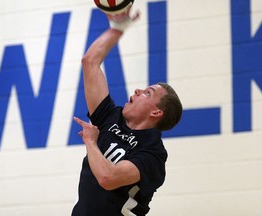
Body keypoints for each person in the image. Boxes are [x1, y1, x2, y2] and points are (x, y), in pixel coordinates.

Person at [71, 9, 182, 216]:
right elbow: (90, 63)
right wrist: (118, 28)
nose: (138, 91)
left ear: (156, 113)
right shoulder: (110, 117)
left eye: (147, 93)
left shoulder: (153, 155)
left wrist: (91, 142)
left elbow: (107, 178)